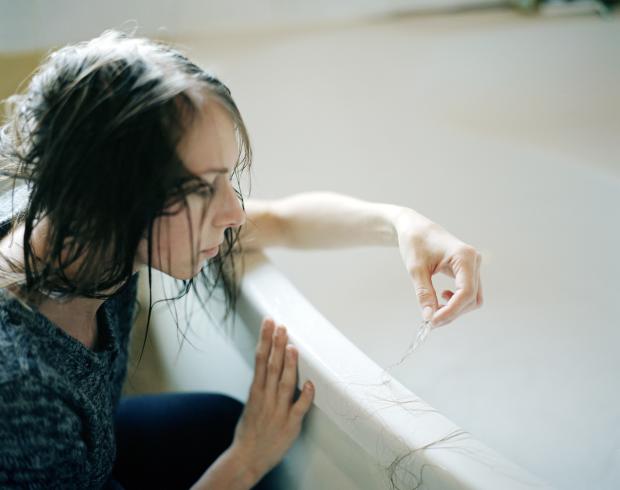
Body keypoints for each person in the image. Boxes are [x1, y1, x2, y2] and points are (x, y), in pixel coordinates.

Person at [0, 30, 483, 489]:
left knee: (216, 423)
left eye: (227, 178)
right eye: (202, 188)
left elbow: (282, 222)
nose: (234, 213)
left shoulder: (76, 225)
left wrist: (402, 223)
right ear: (113, 197)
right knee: (230, 441)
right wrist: (245, 461)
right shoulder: (22, 393)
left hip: (89, 451)